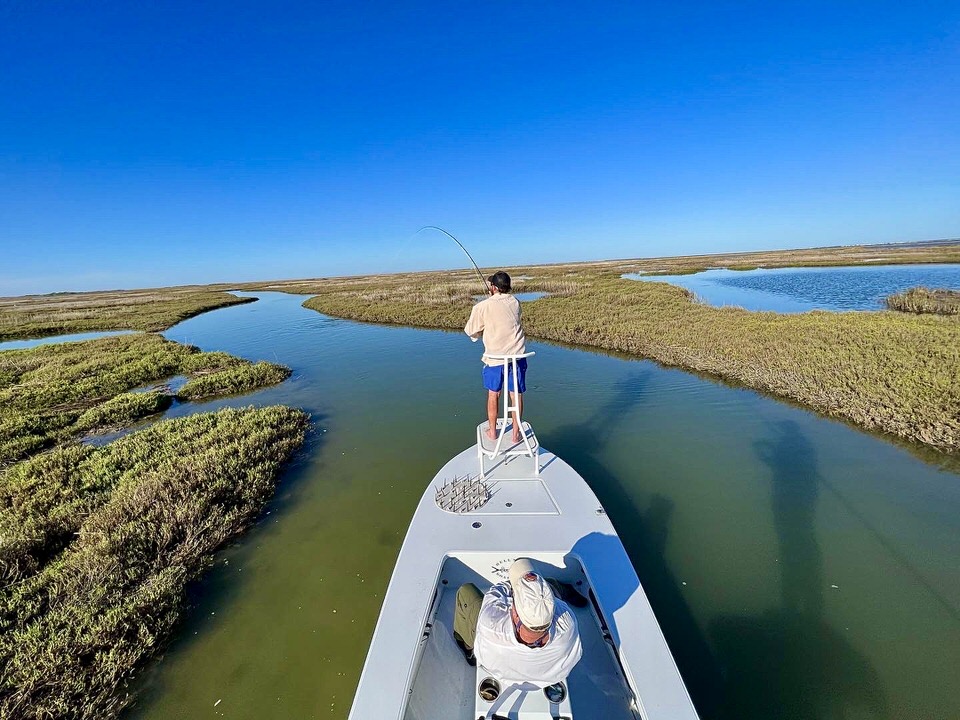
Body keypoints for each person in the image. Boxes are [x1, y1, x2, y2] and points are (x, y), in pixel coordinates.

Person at [453, 558, 582, 688]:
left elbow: (497, 591)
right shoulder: (568, 623)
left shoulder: (491, 624)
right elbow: (553, 600)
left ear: (514, 613)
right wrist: (538, 593)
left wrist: (518, 586)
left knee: (466, 591)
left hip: (500, 673)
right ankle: (568, 590)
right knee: (550, 584)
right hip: (546, 680)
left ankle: (469, 650)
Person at [463, 271, 527, 443]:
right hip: (518, 358)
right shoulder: (516, 302)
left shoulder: (482, 307)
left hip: (495, 360)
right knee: (516, 395)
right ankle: (516, 434)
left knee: (493, 394)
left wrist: (479, 331)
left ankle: (493, 432)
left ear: (493, 287)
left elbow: (470, 331)